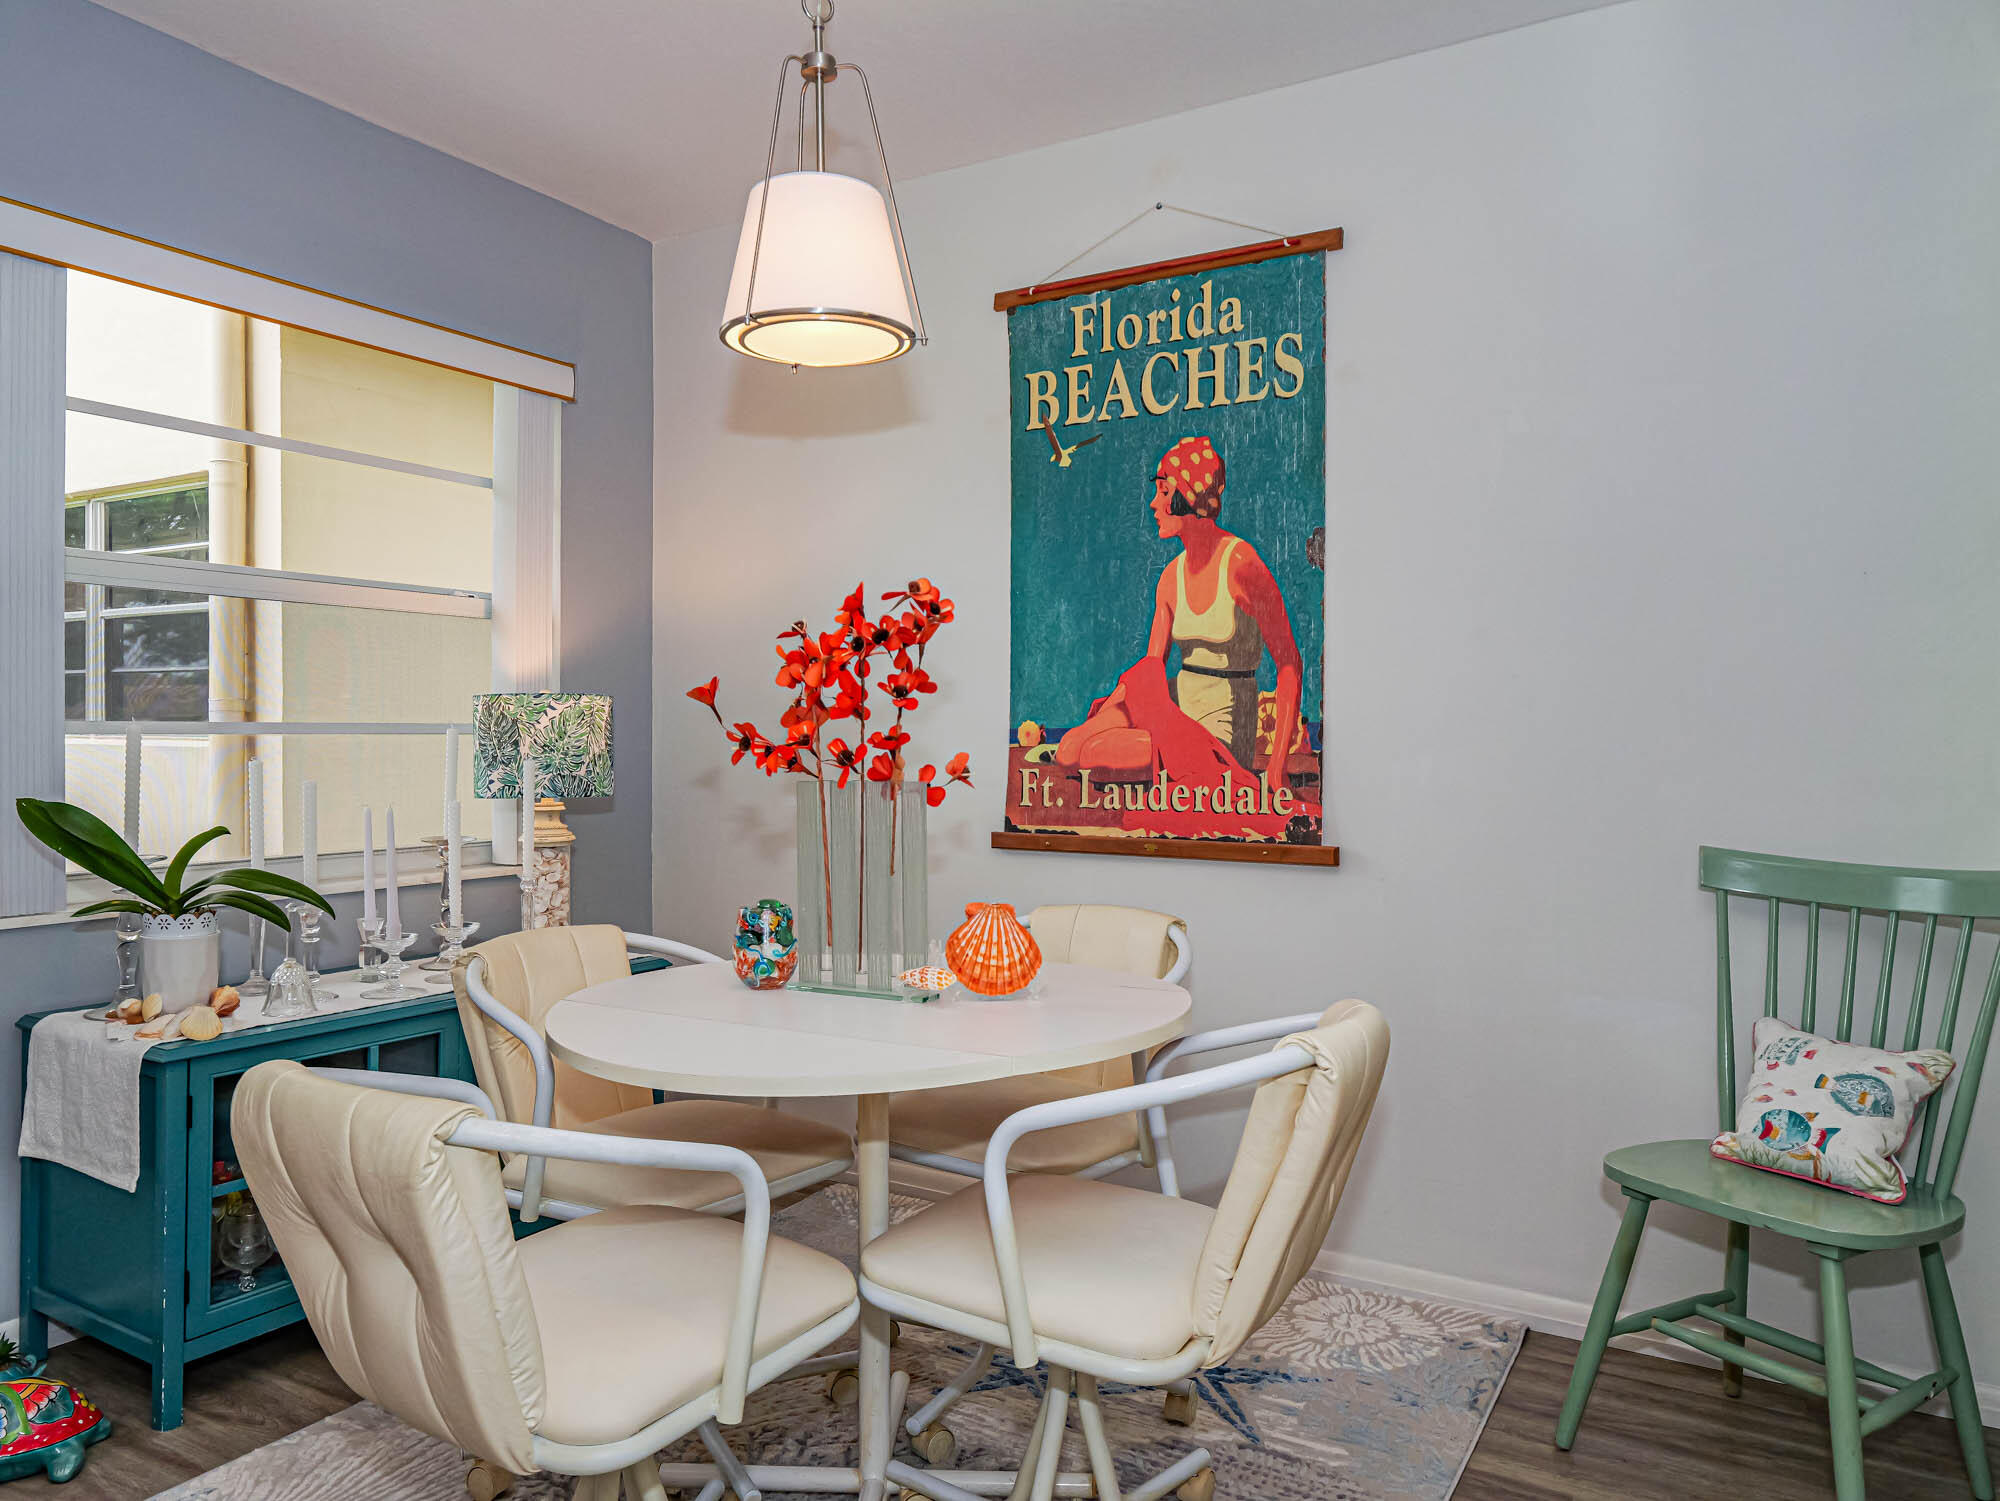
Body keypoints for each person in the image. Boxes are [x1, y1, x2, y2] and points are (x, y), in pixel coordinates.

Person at [1056, 436, 1305, 792]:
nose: (1153, 503)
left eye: (1162, 491)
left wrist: (1277, 767)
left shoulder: (1240, 564)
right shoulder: (1170, 577)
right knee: (1068, 750)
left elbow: (1288, 663)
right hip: (1173, 705)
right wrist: (1110, 709)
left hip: (1220, 725)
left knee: (1096, 752)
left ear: (1187, 496)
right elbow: (1150, 671)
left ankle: (1194, 761)